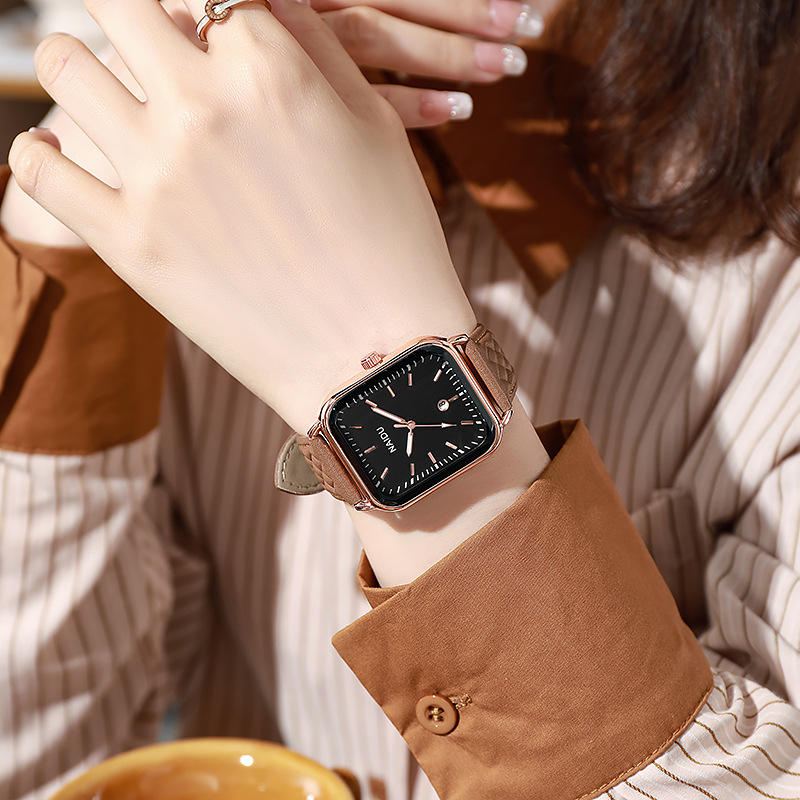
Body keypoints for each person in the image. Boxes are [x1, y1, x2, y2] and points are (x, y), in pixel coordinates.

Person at [1, 1, 799, 800]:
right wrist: (64, 257)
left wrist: (377, 360)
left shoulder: (774, 271)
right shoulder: (185, 165)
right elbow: (54, 772)